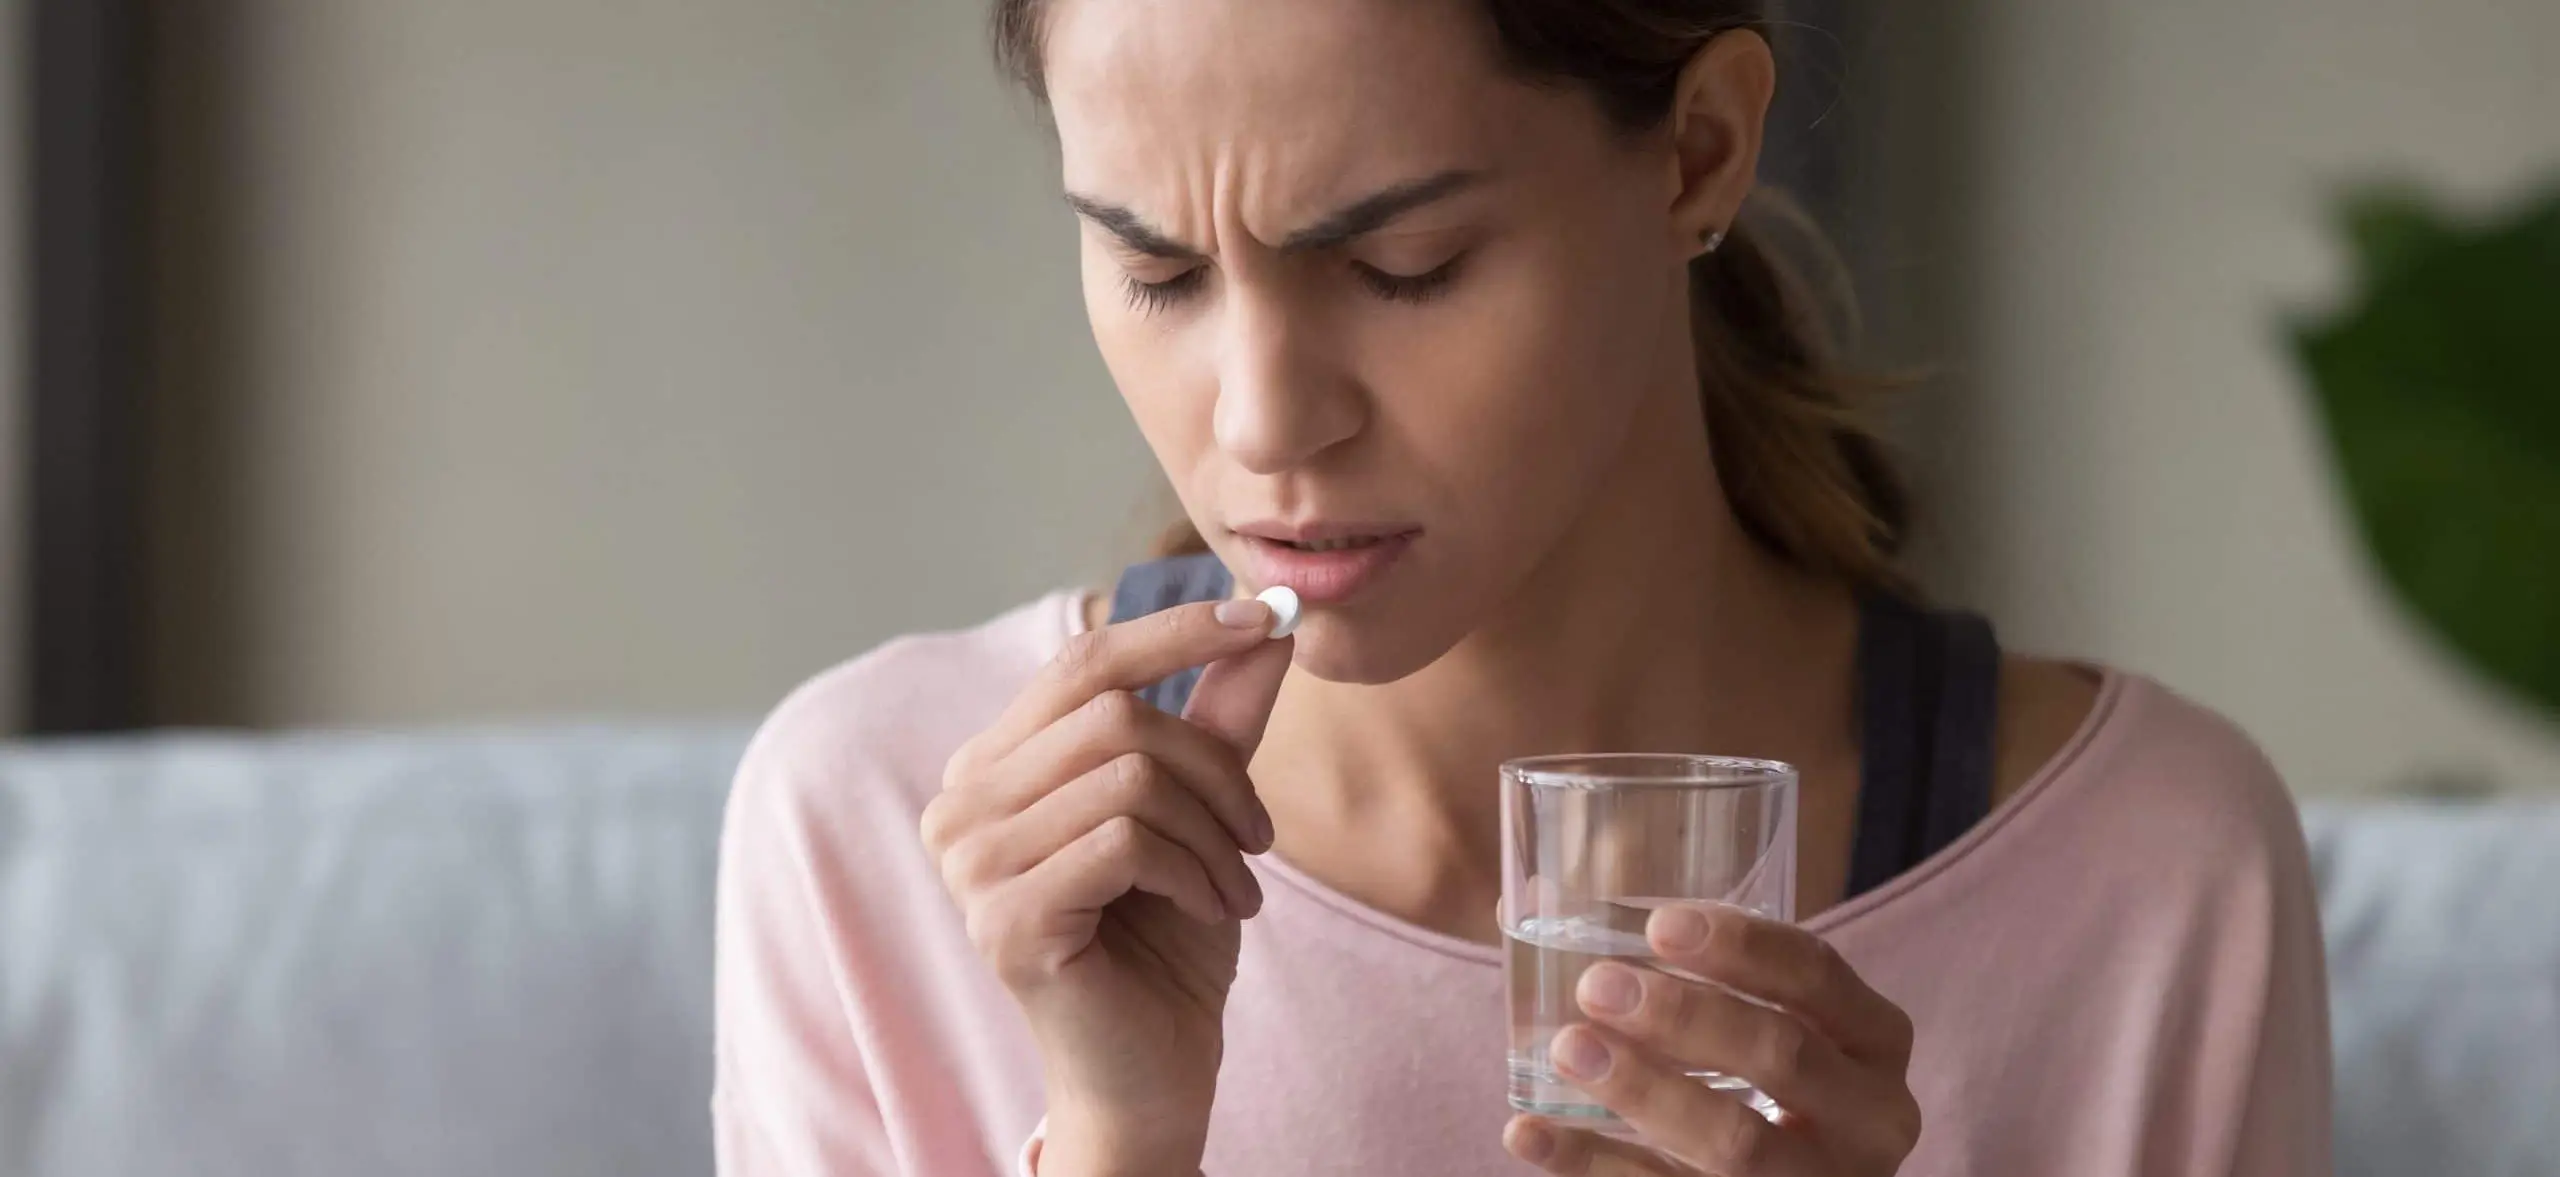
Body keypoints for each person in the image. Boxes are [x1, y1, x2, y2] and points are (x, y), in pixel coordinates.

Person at [709, 1, 2333, 1173]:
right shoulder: (874, 826)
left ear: (1697, 152)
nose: (1264, 421)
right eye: (1160, 271)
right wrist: (1122, 1149)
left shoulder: (2147, 879)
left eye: (1401, 268)